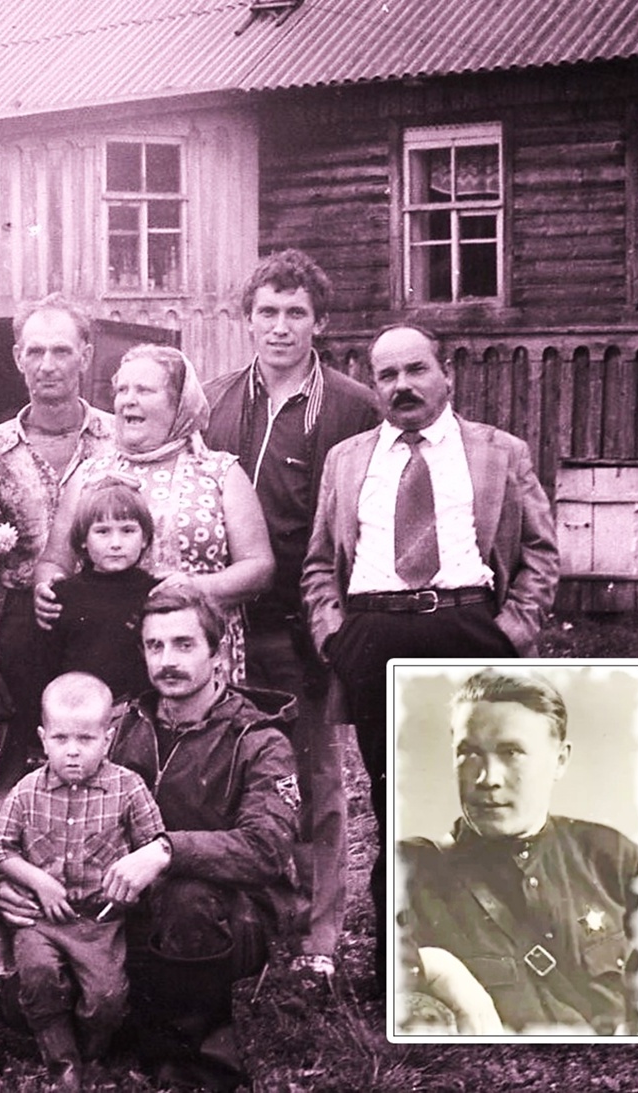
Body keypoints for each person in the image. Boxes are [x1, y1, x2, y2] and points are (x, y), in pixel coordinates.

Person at [301, 322, 560, 974]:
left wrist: (512, 632)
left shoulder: (499, 452)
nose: (402, 385)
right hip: (374, 636)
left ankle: (494, 959)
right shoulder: (348, 459)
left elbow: (540, 553)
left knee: (480, 793)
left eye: (416, 369)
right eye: (386, 375)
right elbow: (319, 564)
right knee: (397, 801)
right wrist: (334, 637)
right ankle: (400, 968)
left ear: (448, 375)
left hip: (468, 628)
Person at [0, 585, 299, 1090]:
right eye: (154, 646)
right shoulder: (114, 725)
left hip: (224, 914)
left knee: (186, 900)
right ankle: (128, 1016)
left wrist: (166, 851)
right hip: (113, 912)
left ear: (218, 651)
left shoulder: (257, 739)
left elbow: (266, 848)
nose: (167, 660)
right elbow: (34, 806)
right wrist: (11, 884)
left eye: (184, 644)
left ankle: (191, 1060)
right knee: (27, 1004)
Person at [204, 249, 380, 979]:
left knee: (314, 779)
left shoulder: (352, 407)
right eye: (267, 312)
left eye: (295, 313)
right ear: (246, 320)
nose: (280, 327)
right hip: (223, 625)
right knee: (230, 771)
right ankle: (250, 918)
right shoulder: (213, 401)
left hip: (301, 624)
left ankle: (319, 937)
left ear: (319, 323)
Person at [397, 668, 638, 1034]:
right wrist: (436, 967)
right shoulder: (411, 869)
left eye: (511, 752)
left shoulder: (612, 856)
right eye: (469, 753)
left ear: (560, 760)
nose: (487, 778)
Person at [35, 344, 274, 683]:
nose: (128, 400)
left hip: (198, 651)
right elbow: (54, 561)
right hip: (109, 656)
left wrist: (196, 587)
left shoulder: (220, 472)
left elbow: (259, 568)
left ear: (179, 403)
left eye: (144, 390)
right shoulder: (89, 474)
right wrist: (45, 588)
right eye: (122, 390)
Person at [0, 673, 166, 1090]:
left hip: (101, 923)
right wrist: (38, 882)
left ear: (107, 739)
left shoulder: (127, 788)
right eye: (60, 738)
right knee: (38, 978)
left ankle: (91, 1049)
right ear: (42, 739)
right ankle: (61, 1061)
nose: (72, 751)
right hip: (41, 920)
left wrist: (134, 879)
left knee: (106, 999)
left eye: (85, 739)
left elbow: (155, 846)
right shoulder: (26, 791)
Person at [0, 294, 115, 795]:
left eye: (62, 350)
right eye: (35, 351)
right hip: (26, 624)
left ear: (86, 355)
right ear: (17, 357)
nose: (48, 365)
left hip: (106, 621)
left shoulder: (119, 439)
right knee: (25, 763)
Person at [48, 479, 158, 701]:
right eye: (103, 531)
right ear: (83, 539)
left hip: (141, 710)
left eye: (128, 530)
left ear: (145, 538)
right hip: (77, 710)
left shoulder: (154, 593)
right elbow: (44, 667)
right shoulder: (63, 595)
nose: (116, 543)